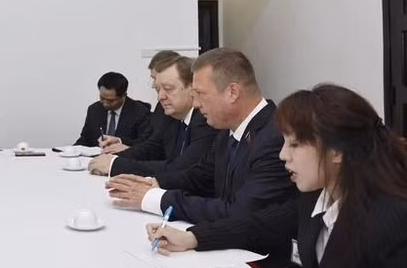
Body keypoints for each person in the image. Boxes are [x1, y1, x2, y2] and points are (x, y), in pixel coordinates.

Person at [146, 84, 407, 268]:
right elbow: (260, 223)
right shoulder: (316, 196)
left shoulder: (391, 220)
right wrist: (193, 237)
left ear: (337, 151)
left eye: (295, 144)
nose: (283, 154)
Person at [106, 48, 295, 223]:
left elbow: (240, 212)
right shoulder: (227, 130)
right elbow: (201, 176)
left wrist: (157, 199)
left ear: (233, 92)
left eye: (201, 94)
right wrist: (152, 183)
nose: (195, 104)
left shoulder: (274, 137)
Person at [88, 56, 218, 177]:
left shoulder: (205, 120)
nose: (160, 97)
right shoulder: (171, 116)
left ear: (192, 88)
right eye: (158, 90)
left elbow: (182, 167)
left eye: (168, 88)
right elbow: (151, 148)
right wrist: (113, 158)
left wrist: (114, 165)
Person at [99, 50, 180, 155]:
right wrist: (120, 142)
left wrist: (120, 159)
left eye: (155, 78)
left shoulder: (190, 114)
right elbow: (148, 141)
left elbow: (162, 153)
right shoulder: (161, 107)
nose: (153, 84)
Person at [74, 72, 153, 148]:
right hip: (96, 159)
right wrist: (69, 152)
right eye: (102, 98)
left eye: (110, 100)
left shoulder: (140, 112)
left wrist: (120, 142)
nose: (104, 103)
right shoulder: (94, 109)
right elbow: (85, 140)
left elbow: (143, 145)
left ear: (124, 96)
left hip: (125, 159)